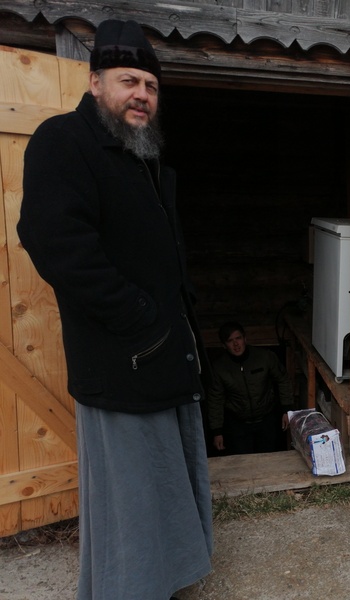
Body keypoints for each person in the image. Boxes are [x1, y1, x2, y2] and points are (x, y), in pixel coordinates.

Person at [17, 20, 212, 600]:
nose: (142, 96)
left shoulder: (142, 154)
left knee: (167, 475)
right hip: (122, 354)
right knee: (132, 491)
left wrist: (177, 318)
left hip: (165, 349)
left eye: (151, 86)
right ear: (95, 80)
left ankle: (171, 576)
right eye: (130, 81)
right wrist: (139, 319)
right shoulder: (63, 141)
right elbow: (57, 246)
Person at [207, 321, 294, 455]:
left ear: (245, 339)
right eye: (230, 341)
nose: (236, 344)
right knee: (243, 462)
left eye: (238, 338)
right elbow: (215, 399)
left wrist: (287, 410)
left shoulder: (264, 357)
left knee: (268, 459)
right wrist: (217, 431)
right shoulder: (219, 368)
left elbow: (283, 379)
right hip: (238, 423)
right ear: (224, 345)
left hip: (266, 418)